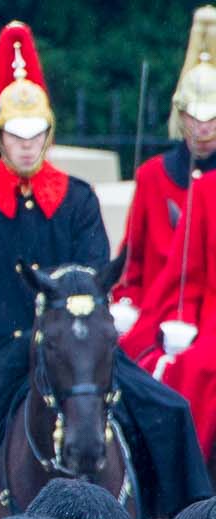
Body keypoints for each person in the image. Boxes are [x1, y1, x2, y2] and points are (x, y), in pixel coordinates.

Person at [0, 22, 209, 519]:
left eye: (36, 136)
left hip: (78, 349)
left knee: (168, 411)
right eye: (16, 137)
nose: (27, 147)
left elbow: (94, 280)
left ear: (49, 135)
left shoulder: (77, 199)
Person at [115, 7, 216, 356]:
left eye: (212, 118)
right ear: (181, 114)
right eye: (194, 117)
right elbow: (134, 256)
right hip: (157, 314)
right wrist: (125, 301)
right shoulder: (153, 176)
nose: (203, 128)